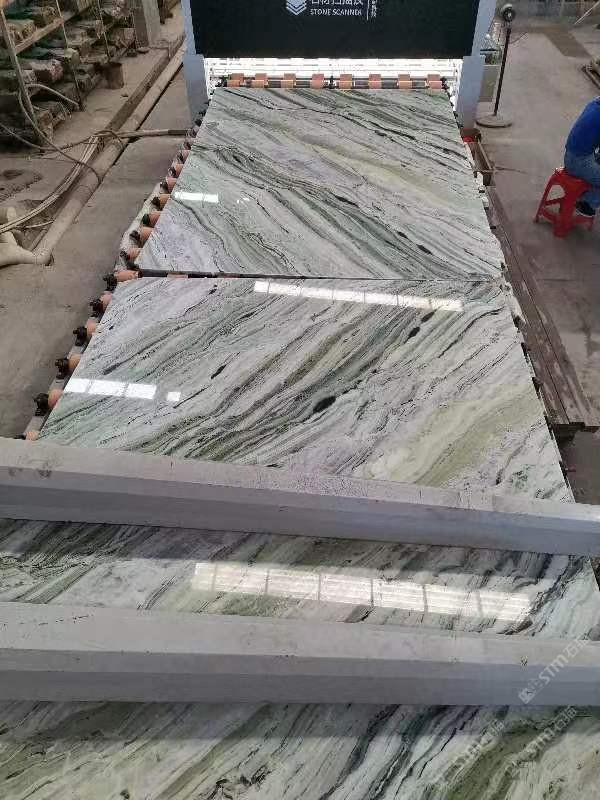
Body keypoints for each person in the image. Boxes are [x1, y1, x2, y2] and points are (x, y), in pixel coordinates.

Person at [565, 97, 600, 217]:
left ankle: (586, 192)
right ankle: (587, 204)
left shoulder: (595, 103)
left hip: (572, 156)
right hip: (579, 163)